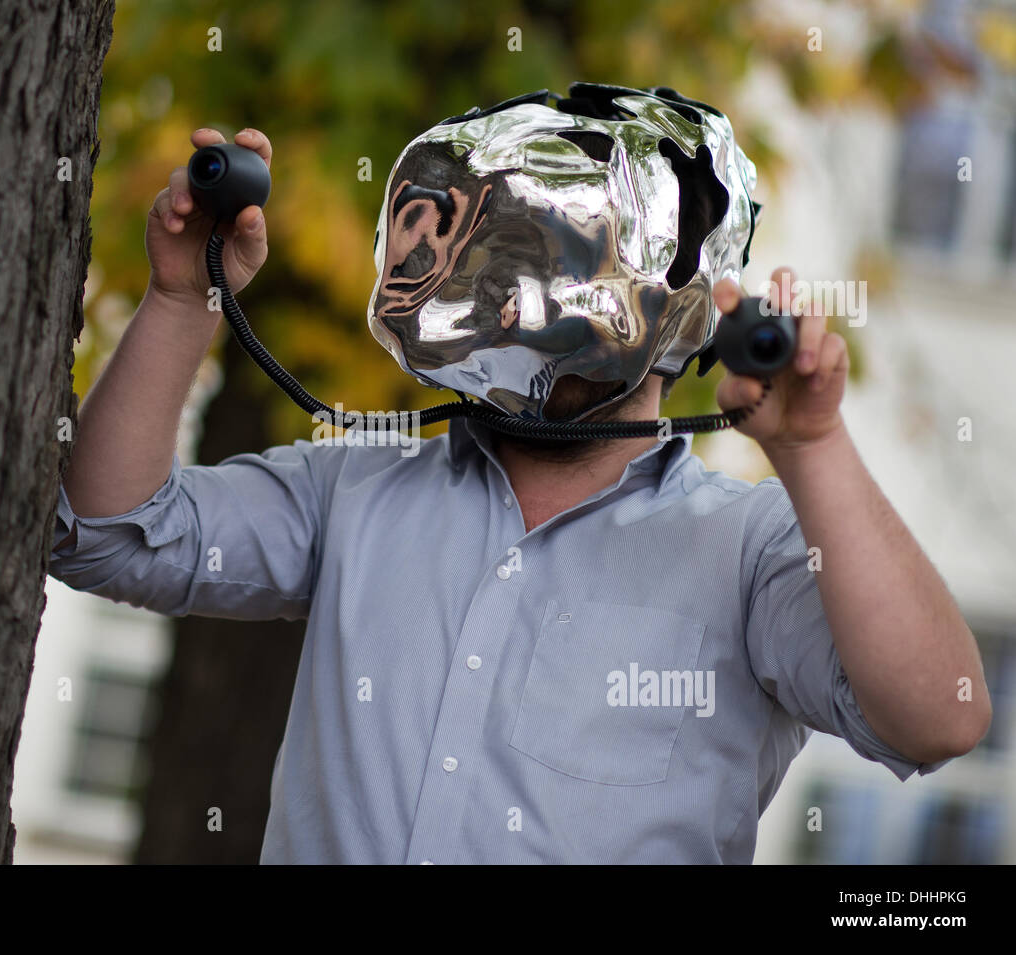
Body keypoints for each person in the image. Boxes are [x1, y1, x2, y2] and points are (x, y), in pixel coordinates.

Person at [50, 87, 991, 864]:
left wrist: (813, 449)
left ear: (675, 317)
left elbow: (941, 718)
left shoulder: (748, 555)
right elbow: (105, 531)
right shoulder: (358, 492)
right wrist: (184, 296)